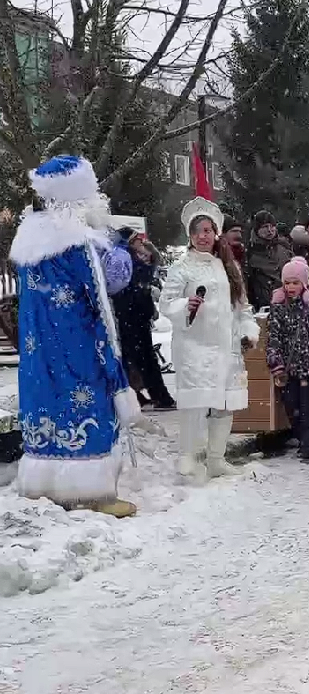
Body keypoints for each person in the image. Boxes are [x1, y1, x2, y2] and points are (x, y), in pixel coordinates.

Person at [12, 155, 144, 517]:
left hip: (39, 351)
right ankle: (97, 492)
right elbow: (102, 298)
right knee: (91, 405)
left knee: (48, 404)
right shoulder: (80, 243)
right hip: (81, 346)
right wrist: (112, 360)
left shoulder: (27, 243)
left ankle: (51, 487)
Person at [161, 197, 259, 480]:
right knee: (195, 402)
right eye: (197, 231)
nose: (203, 236)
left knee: (223, 403)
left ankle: (216, 458)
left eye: (207, 230)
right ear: (190, 236)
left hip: (226, 347)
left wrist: (247, 330)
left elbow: (242, 307)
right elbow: (167, 303)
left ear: (215, 232)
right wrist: (185, 306)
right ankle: (188, 456)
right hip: (194, 346)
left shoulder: (227, 266)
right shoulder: (182, 267)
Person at [266, 256, 309, 462]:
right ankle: (304, 439)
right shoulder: (278, 306)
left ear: (303, 283)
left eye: (295, 282)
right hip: (288, 368)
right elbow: (273, 336)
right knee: (292, 406)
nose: (291, 287)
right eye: (287, 283)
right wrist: (275, 361)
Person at [111, 228, 177, 410]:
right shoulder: (125, 258)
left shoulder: (129, 257)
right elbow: (139, 279)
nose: (140, 242)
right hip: (130, 315)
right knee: (143, 359)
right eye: (136, 240)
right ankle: (158, 397)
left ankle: (141, 396)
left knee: (136, 358)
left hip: (134, 315)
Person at [247, 209, 293, 311]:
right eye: (264, 227)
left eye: (272, 226)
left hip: (288, 302)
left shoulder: (284, 247)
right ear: (256, 229)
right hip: (263, 305)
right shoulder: (250, 253)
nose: (269, 230)